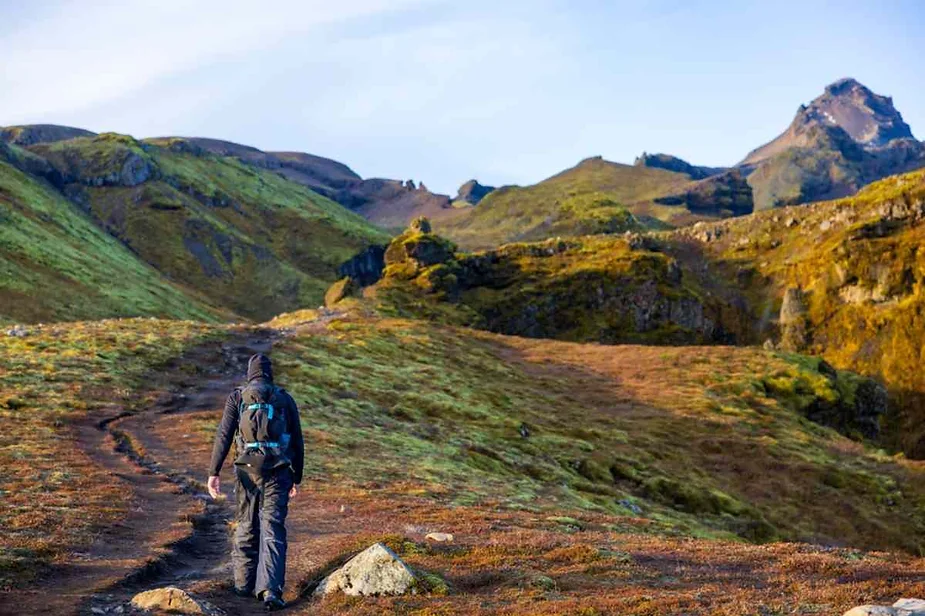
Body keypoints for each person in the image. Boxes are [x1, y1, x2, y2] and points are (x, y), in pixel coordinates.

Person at [207, 353, 304, 611]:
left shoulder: (238, 397)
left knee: (247, 522)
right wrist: (297, 476)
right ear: (270, 374)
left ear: (250, 373)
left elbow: (224, 435)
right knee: (272, 526)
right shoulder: (284, 398)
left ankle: (242, 585)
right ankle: (270, 590)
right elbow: (297, 440)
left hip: (246, 471)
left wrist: (213, 472)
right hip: (278, 471)